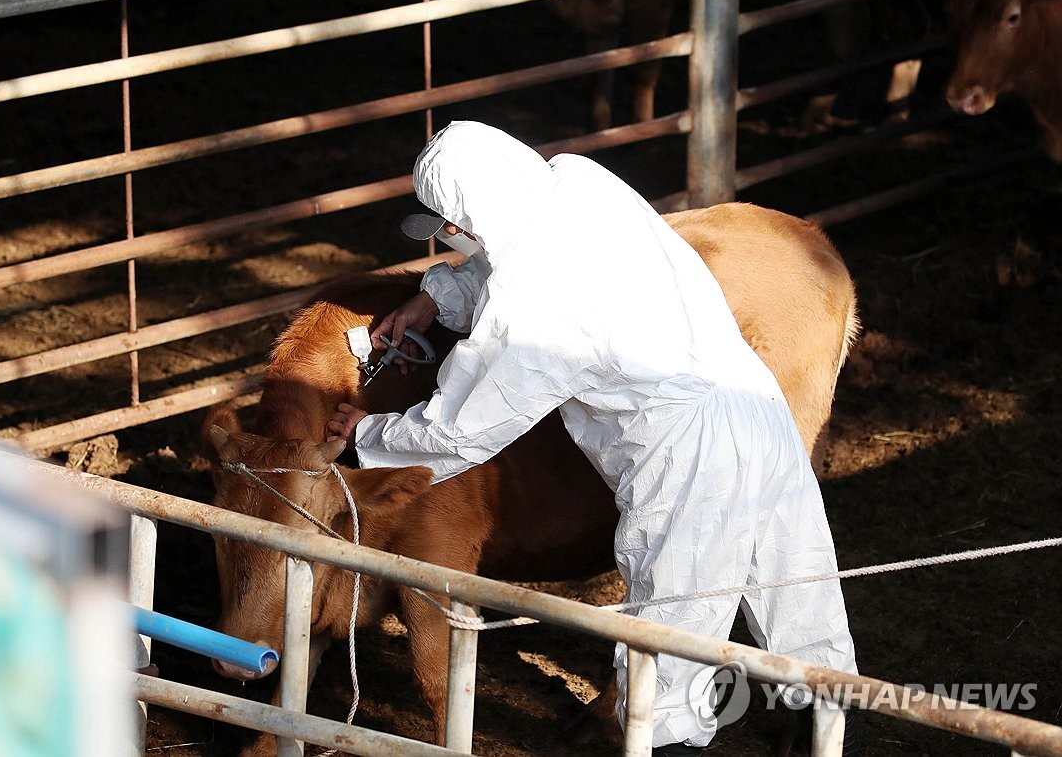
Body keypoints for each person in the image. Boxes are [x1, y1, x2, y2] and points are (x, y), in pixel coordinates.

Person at [327, 120, 857, 755]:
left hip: (681, 448)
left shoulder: (532, 313)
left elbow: (465, 427)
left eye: (452, 230)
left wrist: (373, 432)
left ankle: (651, 741)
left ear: (479, 218)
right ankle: (825, 718)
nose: (450, 241)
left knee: (673, 618)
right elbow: (519, 252)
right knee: (792, 570)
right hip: (751, 398)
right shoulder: (578, 182)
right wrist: (435, 299)